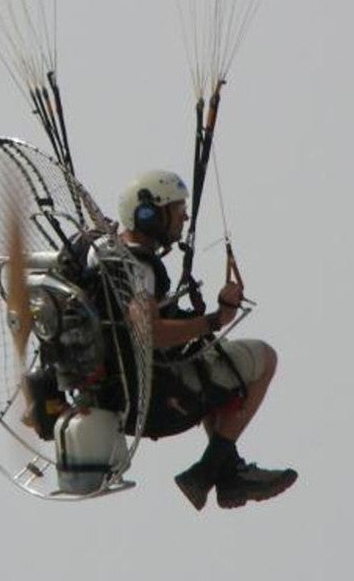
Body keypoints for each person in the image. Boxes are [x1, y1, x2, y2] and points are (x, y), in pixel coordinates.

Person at [114, 170, 297, 511]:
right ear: (149, 214)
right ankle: (207, 469)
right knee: (263, 358)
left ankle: (229, 477)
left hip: (120, 394)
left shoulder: (104, 253)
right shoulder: (138, 266)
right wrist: (216, 319)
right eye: (177, 207)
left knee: (208, 360)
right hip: (154, 398)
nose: (184, 215)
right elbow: (148, 333)